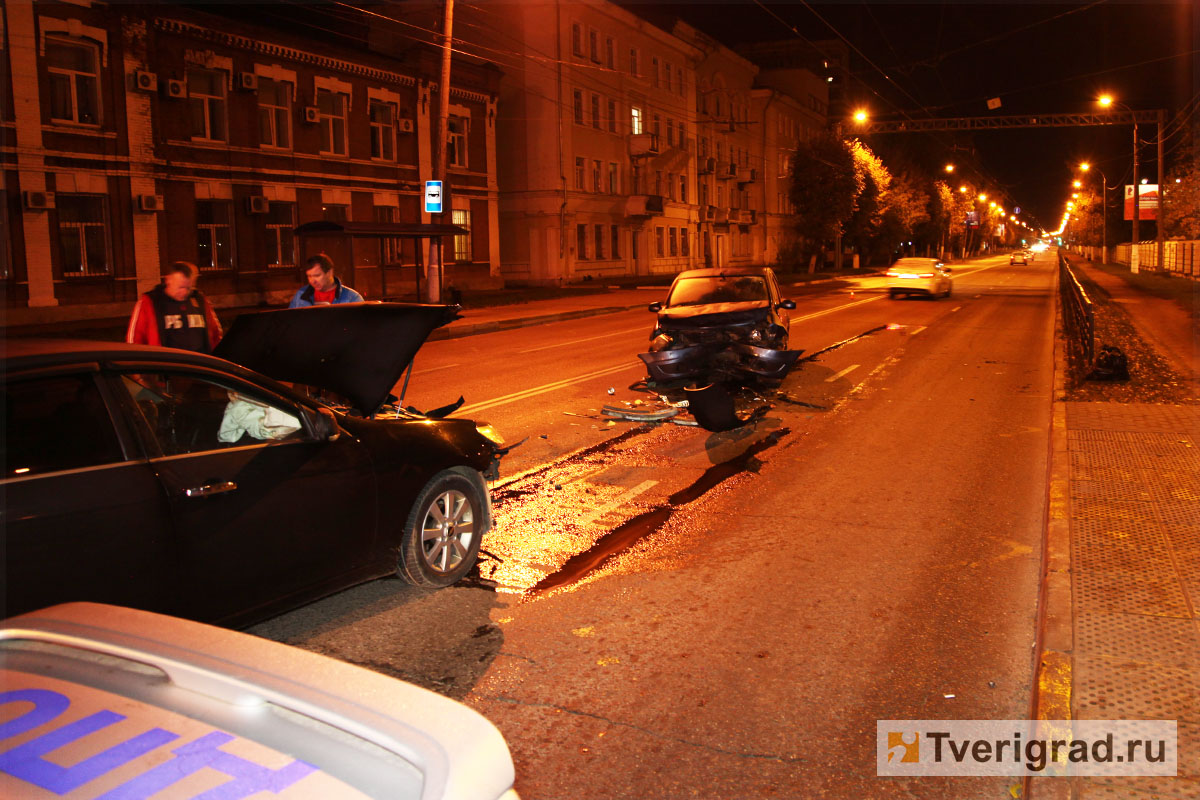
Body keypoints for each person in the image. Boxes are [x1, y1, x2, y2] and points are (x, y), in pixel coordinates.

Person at [126, 261, 222, 353]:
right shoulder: (150, 302)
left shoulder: (199, 300)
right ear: (168, 280)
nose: (184, 292)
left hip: (199, 365)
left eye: (188, 288)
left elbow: (215, 333)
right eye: (180, 287)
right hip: (166, 365)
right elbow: (134, 338)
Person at [289, 253, 364, 307]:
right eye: (309, 276)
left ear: (329, 272)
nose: (312, 281)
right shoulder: (301, 294)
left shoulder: (352, 298)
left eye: (317, 275)